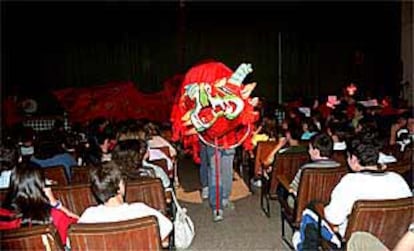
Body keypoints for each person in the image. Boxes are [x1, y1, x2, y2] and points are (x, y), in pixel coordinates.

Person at [324, 132, 412, 238]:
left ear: (354, 159)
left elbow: (333, 218)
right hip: (393, 240)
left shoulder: (350, 182)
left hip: (356, 243)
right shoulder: (398, 179)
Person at [78, 161, 173, 242]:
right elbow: (166, 232)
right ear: (120, 187)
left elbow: (72, 244)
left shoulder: (89, 215)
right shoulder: (140, 210)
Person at [4, 162, 79, 245]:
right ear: (41, 186)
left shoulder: (3, 214)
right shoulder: (55, 215)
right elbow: (79, 229)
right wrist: (56, 204)